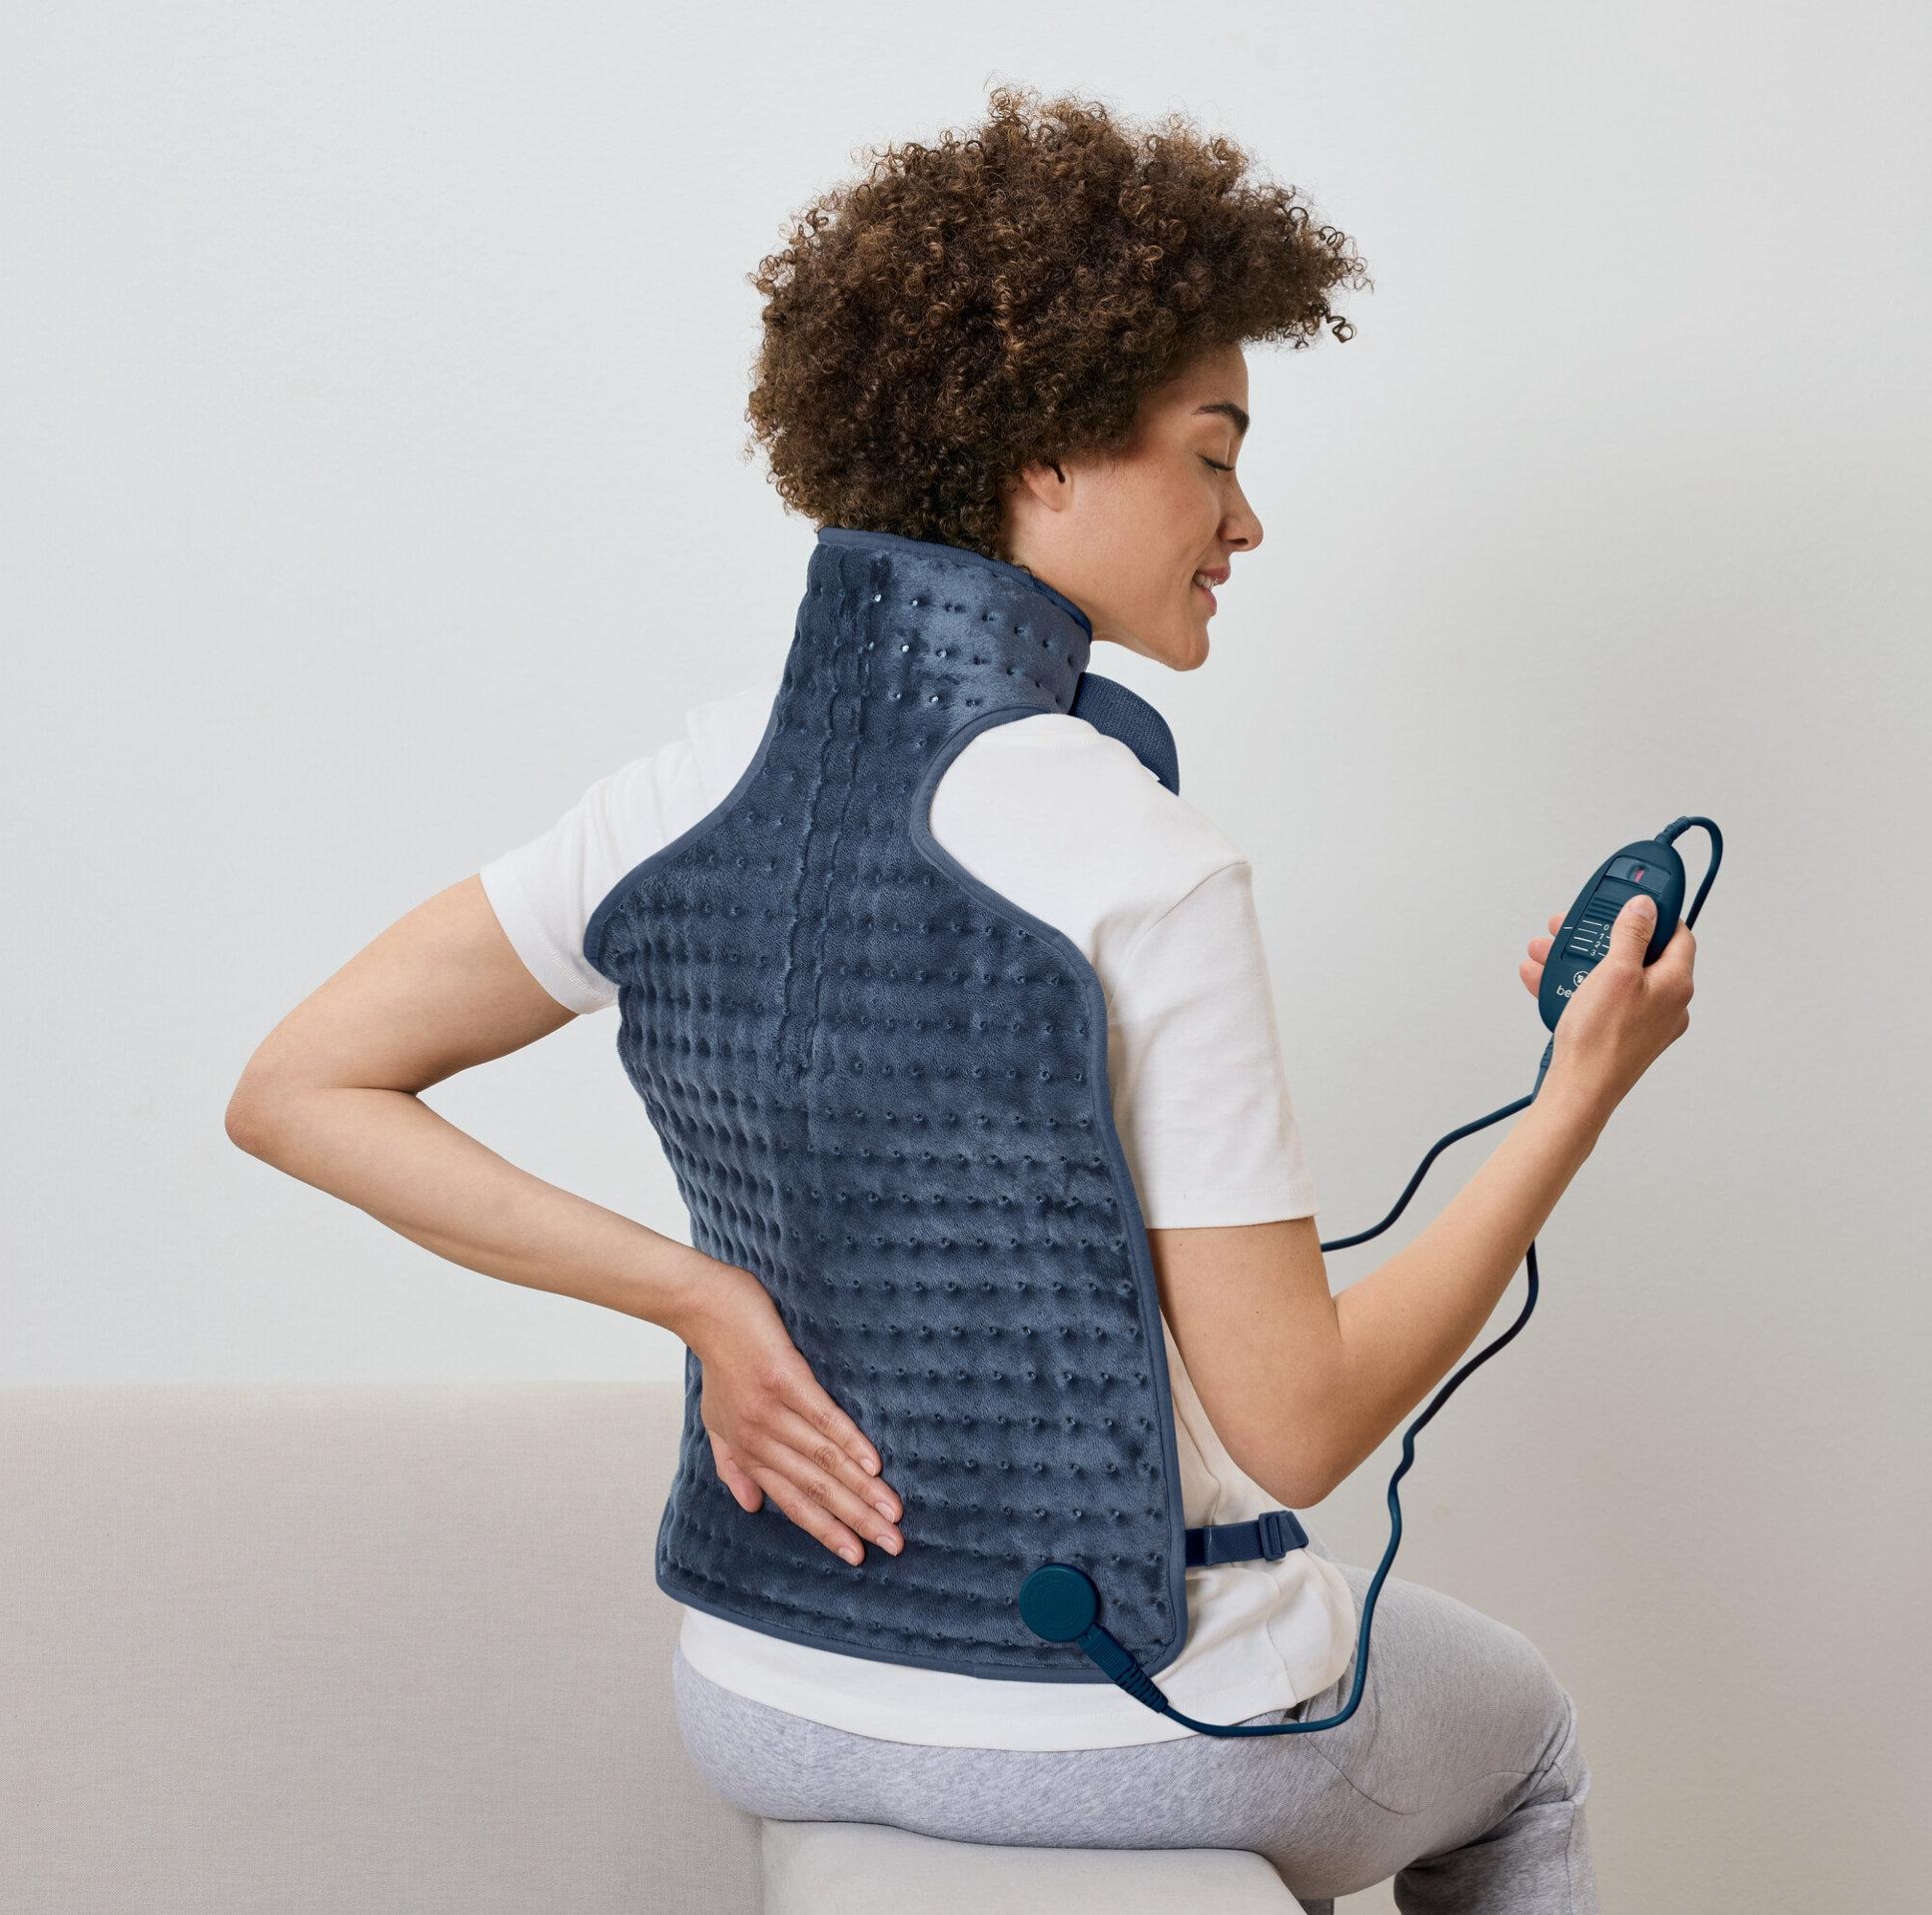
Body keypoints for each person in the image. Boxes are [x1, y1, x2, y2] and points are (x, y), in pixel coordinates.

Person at [226, 83, 1693, 1914]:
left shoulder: (678, 789)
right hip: (1120, 1721)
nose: (1243, 521)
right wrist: (1576, 1094)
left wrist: (698, 1296)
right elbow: (1302, 1422)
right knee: (1529, 1739)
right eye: (1212, 454)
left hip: (758, 1691)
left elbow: (297, 1085)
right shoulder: (1142, 858)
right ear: (1046, 451)